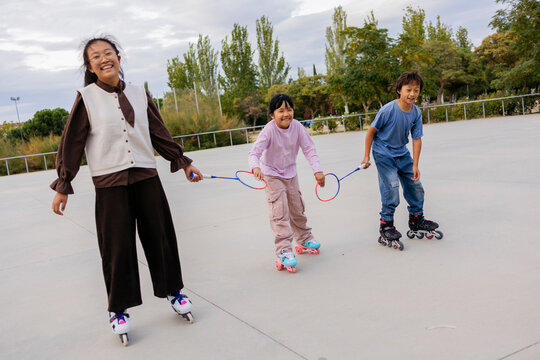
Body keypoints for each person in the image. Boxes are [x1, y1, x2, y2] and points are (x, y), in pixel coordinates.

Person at [50, 35, 203, 344]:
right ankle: (118, 309)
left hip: (146, 178)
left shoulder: (138, 93)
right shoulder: (86, 97)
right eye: (96, 57)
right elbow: (72, 143)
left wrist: (182, 161)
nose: (104, 59)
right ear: (90, 67)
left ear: (119, 57)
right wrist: (63, 184)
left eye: (109, 53)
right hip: (110, 185)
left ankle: (174, 292)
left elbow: (158, 132)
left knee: (161, 238)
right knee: (117, 248)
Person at [361, 70, 442, 251]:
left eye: (416, 90)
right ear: (399, 90)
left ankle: (416, 219)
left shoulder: (416, 113)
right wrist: (366, 156)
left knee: (415, 185)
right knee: (391, 187)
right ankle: (386, 225)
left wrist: (415, 165)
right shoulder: (388, 110)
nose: (412, 94)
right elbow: (370, 132)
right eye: (408, 90)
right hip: (383, 153)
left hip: (402, 153)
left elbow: (416, 139)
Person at [248, 94, 325, 273]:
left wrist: (317, 170)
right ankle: (283, 250)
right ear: (272, 115)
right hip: (271, 174)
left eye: (289, 109)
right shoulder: (269, 130)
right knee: (279, 211)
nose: (286, 114)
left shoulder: (297, 127)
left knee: (297, 206)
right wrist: (255, 168)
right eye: (280, 110)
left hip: (290, 173)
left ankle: (304, 238)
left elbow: (309, 149)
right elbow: (254, 153)